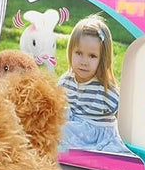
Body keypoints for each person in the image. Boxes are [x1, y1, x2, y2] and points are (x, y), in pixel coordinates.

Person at [56, 14, 133, 156]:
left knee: (61, 131)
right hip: (74, 128)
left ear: (102, 59)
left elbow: (126, 118)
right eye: (79, 53)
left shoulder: (106, 91)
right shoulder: (65, 81)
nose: (84, 61)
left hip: (97, 135)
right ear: (70, 52)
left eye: (92, 56)